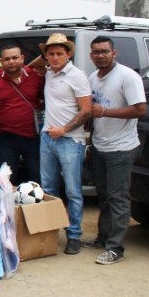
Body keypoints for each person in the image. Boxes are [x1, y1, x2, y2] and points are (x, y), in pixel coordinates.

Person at [84, 36, 146, 265]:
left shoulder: (127, 76)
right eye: (96, 52)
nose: (100, 56)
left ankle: (115, 248)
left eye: (105, 51)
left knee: (118, 197)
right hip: (100, 146)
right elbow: (92, 111)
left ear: (114, 53)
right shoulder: (94, 77)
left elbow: (140, 109)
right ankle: (103, 238)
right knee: (104, 195)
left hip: (121, 147)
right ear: (91, 55)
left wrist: (104, 112)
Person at [39, 33, 91, 255]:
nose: (55, 57)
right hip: (47, 138)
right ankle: (51, 232)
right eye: (50, 54)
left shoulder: (77, 76)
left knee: (72, 191)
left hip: (69, 140)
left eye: (59, 53)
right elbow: (33, 65)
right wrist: (45, 57)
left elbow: (86, 110)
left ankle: (74, 235)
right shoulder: (49, 72)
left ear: (68, 54)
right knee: (48, 188)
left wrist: (64, 130)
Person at [0, 44, 44, 185]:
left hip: (33, 137)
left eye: (15, 58)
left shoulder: (36, 76)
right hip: (6, 138)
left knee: (36, 178)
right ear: (1, 61)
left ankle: (35, 201)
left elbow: (47, 99)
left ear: (22, 58)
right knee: (7, 181)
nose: (11, 62)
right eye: (7, 59)